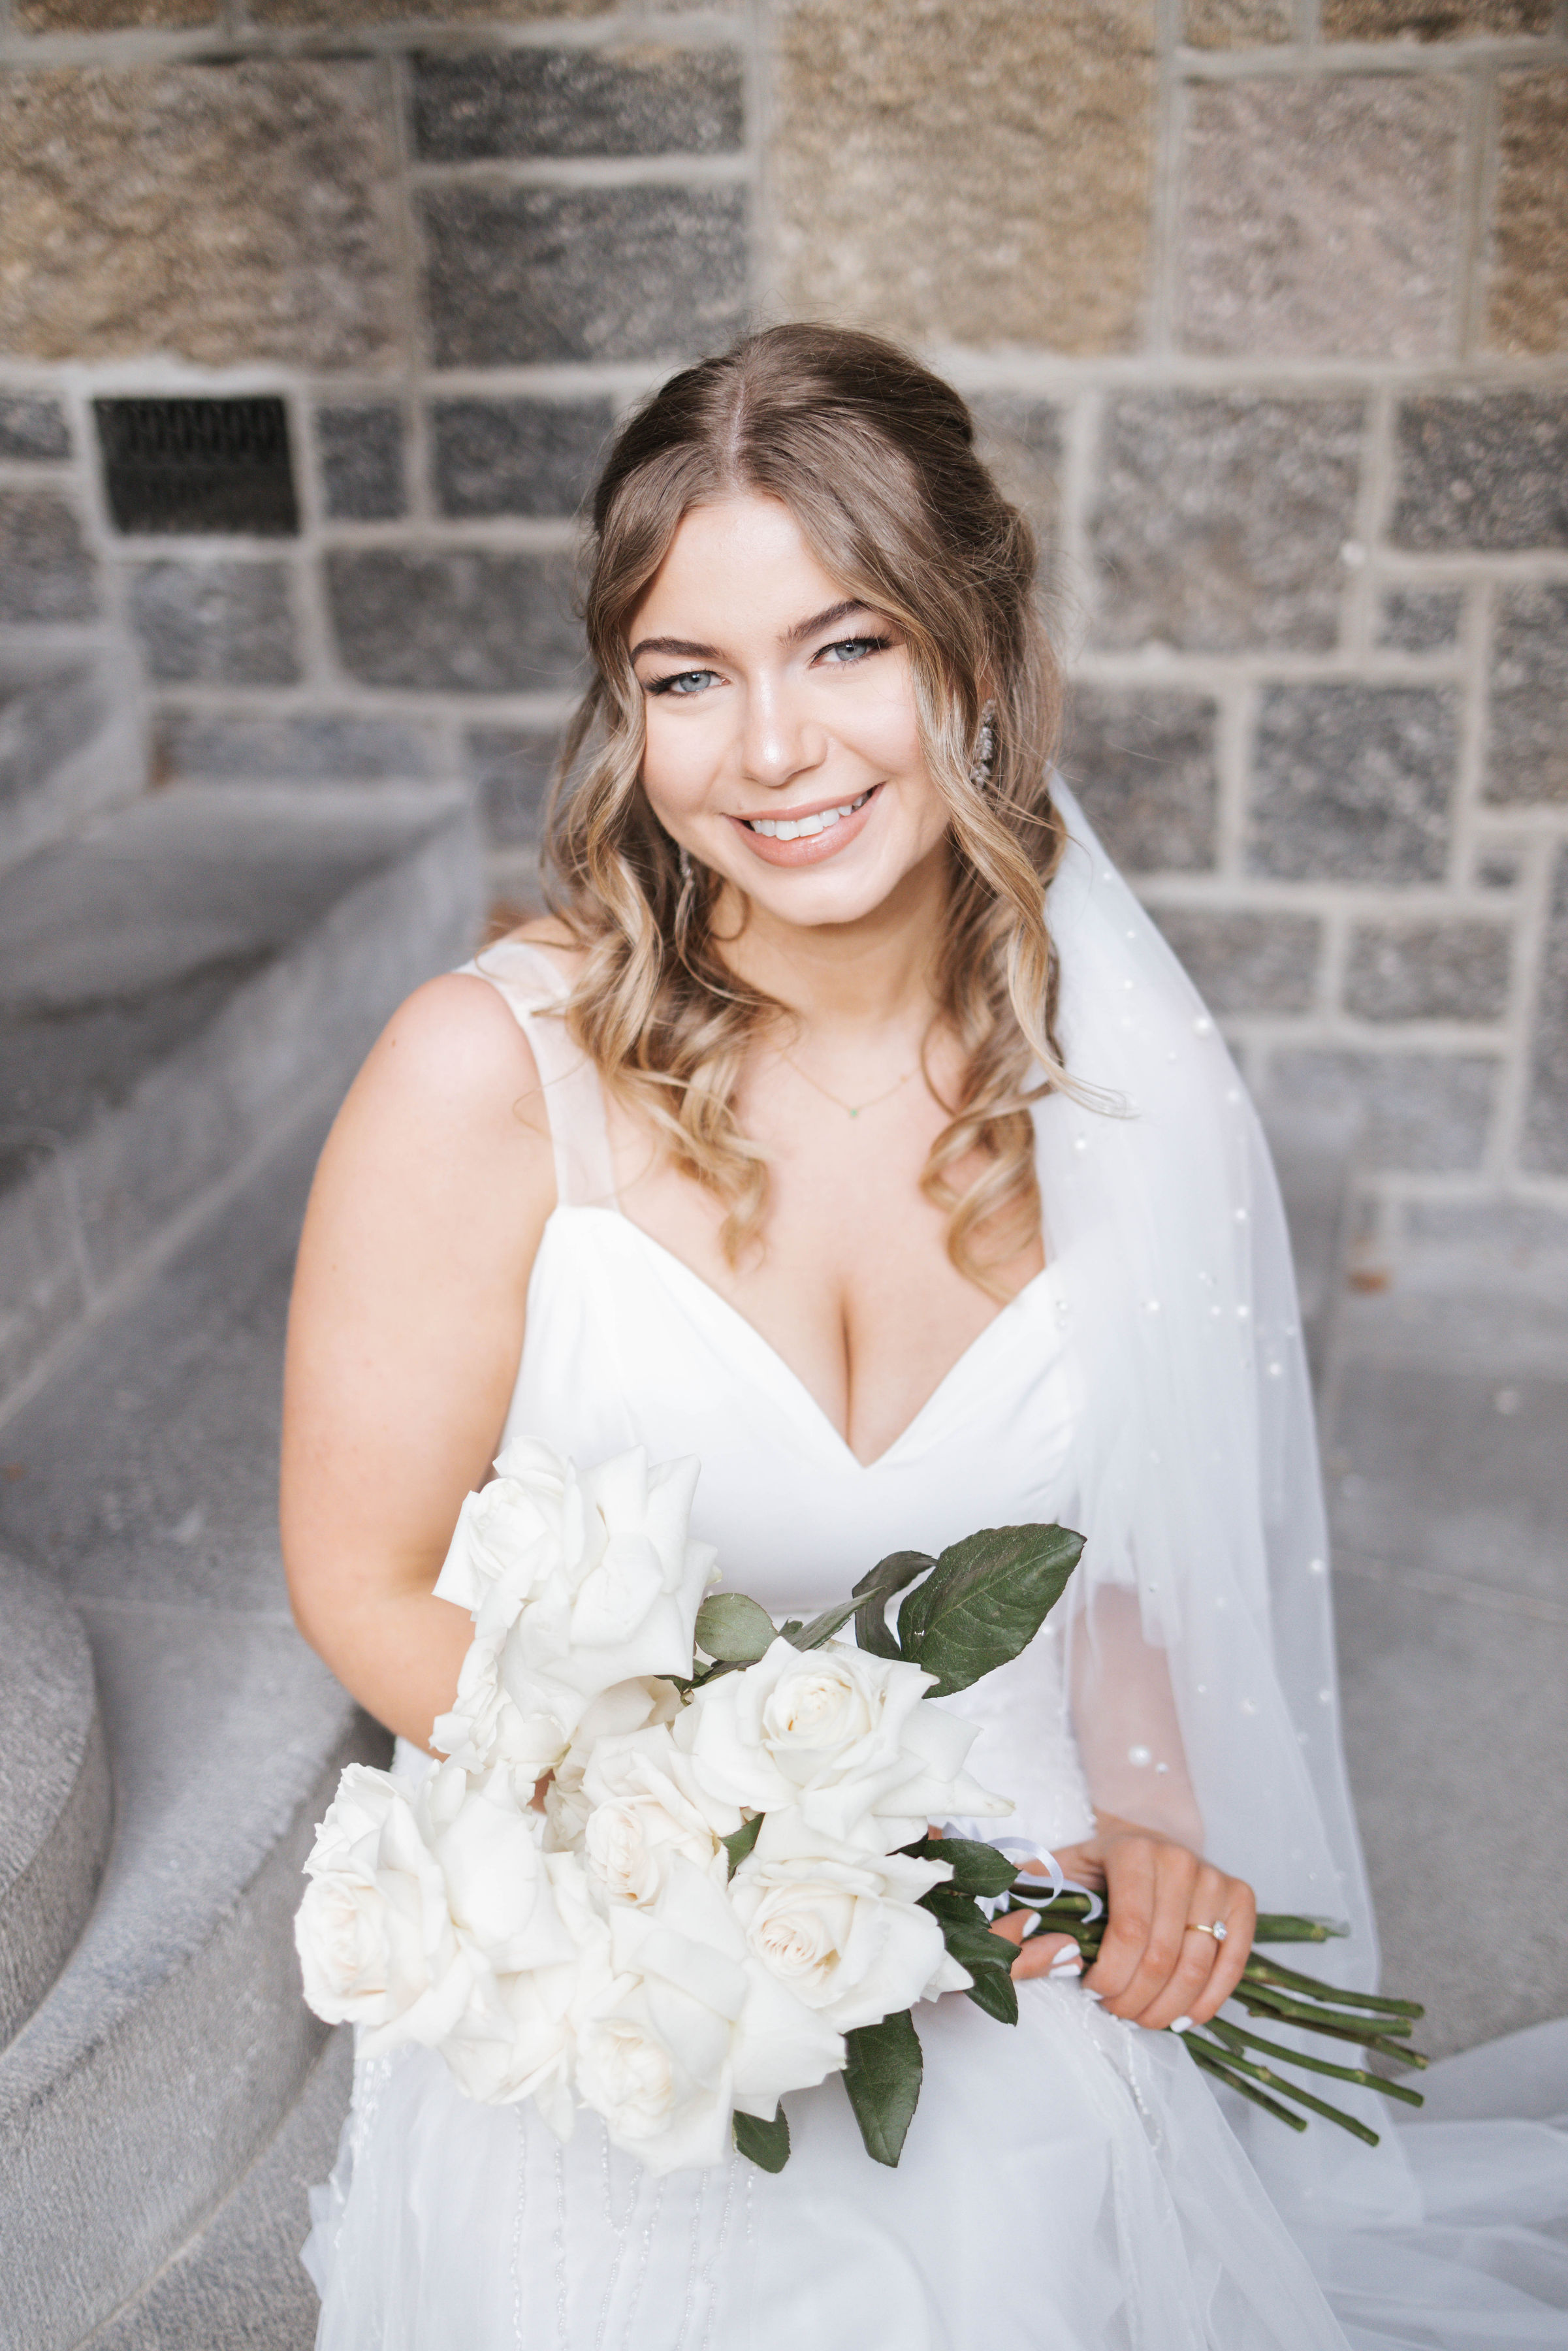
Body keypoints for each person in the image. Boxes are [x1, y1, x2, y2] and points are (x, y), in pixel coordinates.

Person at [282, 324, 1568, 2349]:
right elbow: (361, 1577)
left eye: (843, 644)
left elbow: (1120, 1545)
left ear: (972, 645)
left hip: (1023, 1930)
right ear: (627, 715)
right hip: (636, 1976)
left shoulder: (1124, 1086)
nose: (770, 750)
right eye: (686, 679)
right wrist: (704, 1829)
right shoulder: (483, 1074)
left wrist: (1145, 1825)